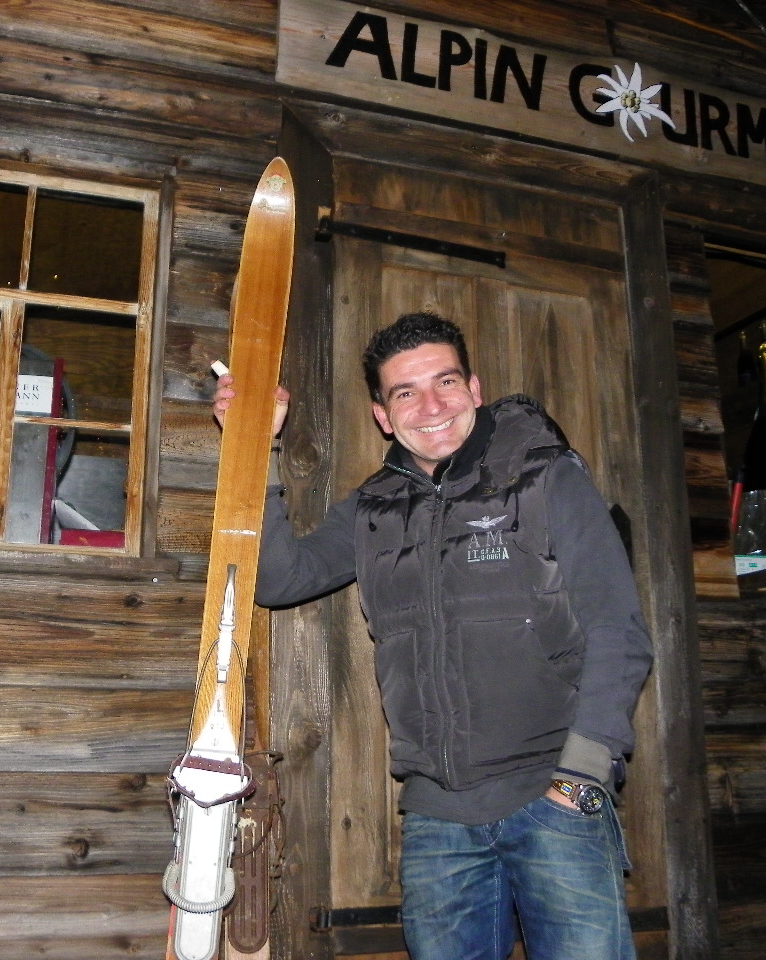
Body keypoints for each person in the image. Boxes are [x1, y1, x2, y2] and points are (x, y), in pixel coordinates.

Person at [213, 312, 653, 960]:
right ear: (383, 415)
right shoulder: (373, 508)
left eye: (445, 382)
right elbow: (281, 580)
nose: (432, 405)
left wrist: (580, 776)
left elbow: (618, 626)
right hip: (437, 819)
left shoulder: (547, 476)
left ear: (473, 389)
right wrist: (256, 445)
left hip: (554, 798)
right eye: (406, 392)